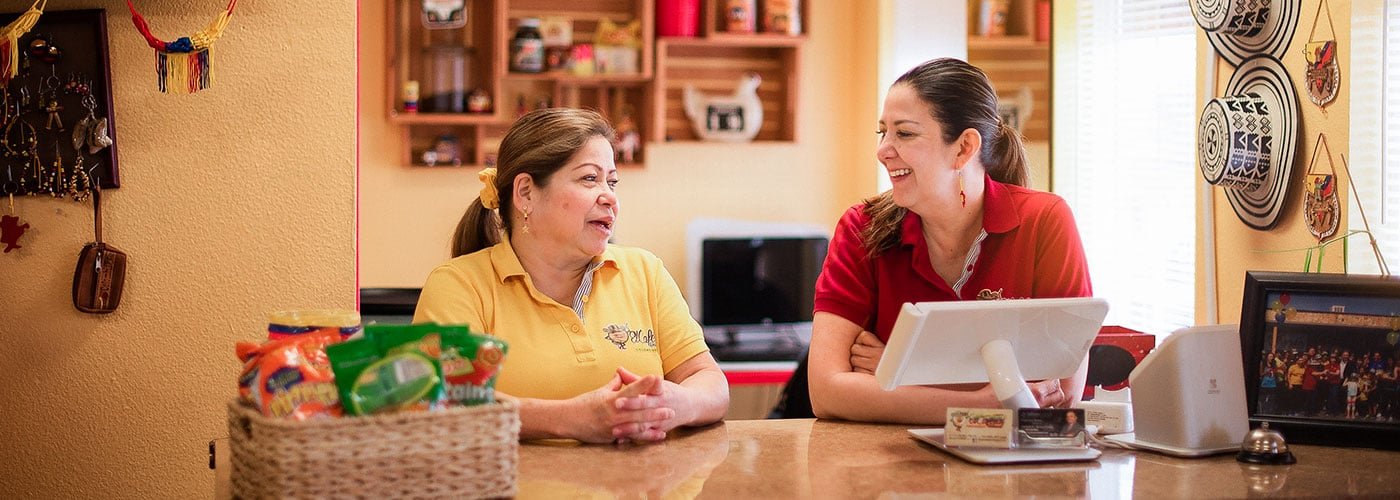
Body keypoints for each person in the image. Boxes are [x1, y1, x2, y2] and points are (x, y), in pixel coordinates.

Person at [414, 108, 729, 443]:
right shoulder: (459, 285)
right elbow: (440, 404)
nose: (610, 197)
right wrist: (570, 419)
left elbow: (708, 379)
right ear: (525, 193)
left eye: (612, 181)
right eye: (589, 179)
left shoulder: (645, 271)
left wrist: (676, 403)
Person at [807, 58, 1092, 425]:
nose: (883, 150)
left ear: (963, 148)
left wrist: (904, 372)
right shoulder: (860, 228)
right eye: (883, 132)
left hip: (1013, 475)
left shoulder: (1046, 221)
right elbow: (826, 391)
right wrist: (988, 399)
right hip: (890, 470)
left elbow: (1061, 392)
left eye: (904, 133)